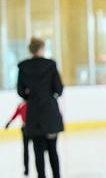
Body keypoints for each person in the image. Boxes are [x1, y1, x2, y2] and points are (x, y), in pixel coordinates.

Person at [17, 38, 64, 178]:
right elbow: (59, 89)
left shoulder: (23, 67)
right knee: (52, 150)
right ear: (41, 48)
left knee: (38, 153)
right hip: (50, 114)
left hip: (34, 115)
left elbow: (20, 91)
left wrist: (30, 96)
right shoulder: (51, 65)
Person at [5, 101, 30, 176]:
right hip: (25, 130)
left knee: (37, 149)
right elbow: (15, 114)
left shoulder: (32, 103)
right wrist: (9, 122)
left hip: (34, 129)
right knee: (26, 149)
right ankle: (26, 169)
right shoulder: (21, 105)